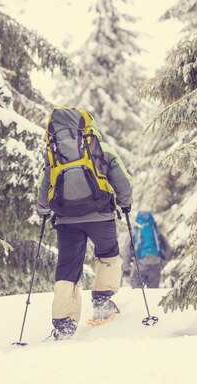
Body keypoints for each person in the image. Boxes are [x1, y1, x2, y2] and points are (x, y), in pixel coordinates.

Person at [36, 107, 132, 340]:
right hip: (101, 215)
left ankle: (64, 322)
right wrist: (125, 204)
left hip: (67, 220)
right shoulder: (102, 150)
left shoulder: (54, 153)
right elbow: (123, 183)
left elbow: (44, 187)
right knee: (108, 254)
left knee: (68, 267)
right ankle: (102, 301)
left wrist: (43, 211)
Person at [122, 211, 171, 289]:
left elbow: (127, 251)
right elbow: (167, 248)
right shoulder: (156, 230)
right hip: (155, 264)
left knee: (137, 291)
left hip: (140, 265)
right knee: (153, 291)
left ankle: (138, 300)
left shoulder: (134, 232)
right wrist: (164, 260)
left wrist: (126, 267)